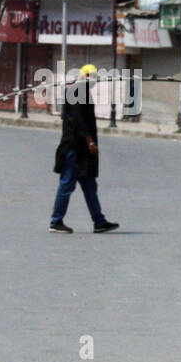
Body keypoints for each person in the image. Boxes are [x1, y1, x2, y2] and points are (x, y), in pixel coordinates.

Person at [50, 64, 118, 234]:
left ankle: (99, 221)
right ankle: (56, 221)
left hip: (82, 151)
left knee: (89, 185)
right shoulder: (77, 91)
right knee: (67, 184)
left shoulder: (81, 91)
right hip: (74, 148)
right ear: (86, 76)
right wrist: (90, 142)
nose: (94, 81)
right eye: (93, 77)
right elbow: (79, 121)